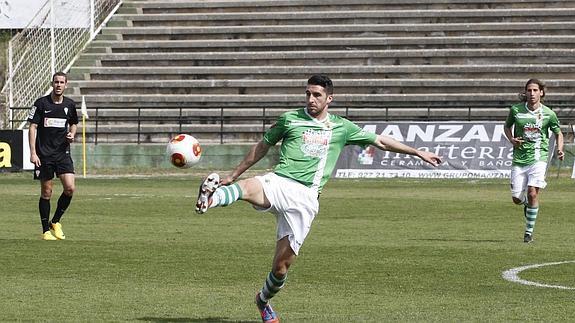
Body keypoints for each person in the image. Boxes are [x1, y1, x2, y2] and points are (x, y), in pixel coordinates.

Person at [194, 74, 443, 322]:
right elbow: (262, 146)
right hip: (281, 181)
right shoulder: (289, 119)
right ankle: (210, 198)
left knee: (281, 268)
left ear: (329, 99)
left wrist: (417, 152)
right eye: (308, 94)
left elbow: (380, 141)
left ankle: (262, 301)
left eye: (317, 95)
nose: (311, 99)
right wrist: (232, 175)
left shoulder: (341, 127)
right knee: (247, 188)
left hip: (306, 198)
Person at [504, 78, 564, 243]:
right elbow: (506, 127)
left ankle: (528, 233)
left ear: (541, 93)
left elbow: (558, 133)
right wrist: (511, 139)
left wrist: (559, 149)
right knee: (516, 197)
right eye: (529, 90)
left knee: (532, 193)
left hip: (539, 158)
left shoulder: (548, 114)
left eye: (535, 90)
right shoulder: (516, 110)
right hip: (519, 158)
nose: (532, 93)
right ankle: (526, 205)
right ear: (525, 92)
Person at [27, 71, 78, 241]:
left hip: (62, 154)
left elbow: (73, 124)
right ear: (52, 84)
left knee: (70, 188)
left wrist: (72, 134)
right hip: (44, 155)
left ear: (66, 84)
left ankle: (55, 222)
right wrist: (33, 152)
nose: (59, 85)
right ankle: (45, 231)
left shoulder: (70, 105)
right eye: (56, 82)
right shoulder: (41, 103)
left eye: (62, 82)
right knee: (47, 192)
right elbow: (33, 127)